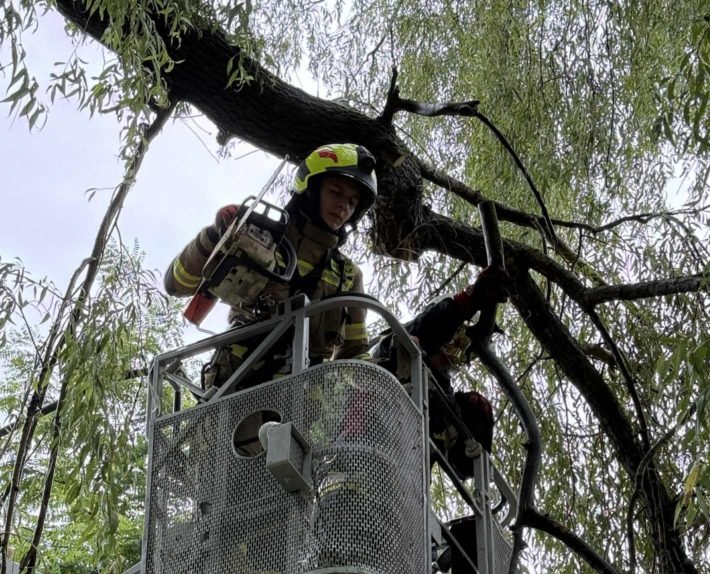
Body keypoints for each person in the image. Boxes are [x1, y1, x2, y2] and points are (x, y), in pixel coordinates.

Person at [164, 143, 378, 388]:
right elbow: (176, 285)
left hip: (305, 400)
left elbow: (354, 353)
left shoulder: (347, 275)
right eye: (336, 192)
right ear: (310, 189)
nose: (344, 206)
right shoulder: (256, 238)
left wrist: (385, 378)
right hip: (237, 388)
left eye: (352, 201)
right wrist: (214, 236)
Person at [372, 265, 511, 479]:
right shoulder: (395, 348)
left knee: (476, 406)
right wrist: (470, 300)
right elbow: (429, 325)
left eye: (462, 350)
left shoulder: (445, 402)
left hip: (406, 488)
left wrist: (478, 423)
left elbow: (464, 468)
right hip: (361, 456)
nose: (453, 353)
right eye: (454, 341)